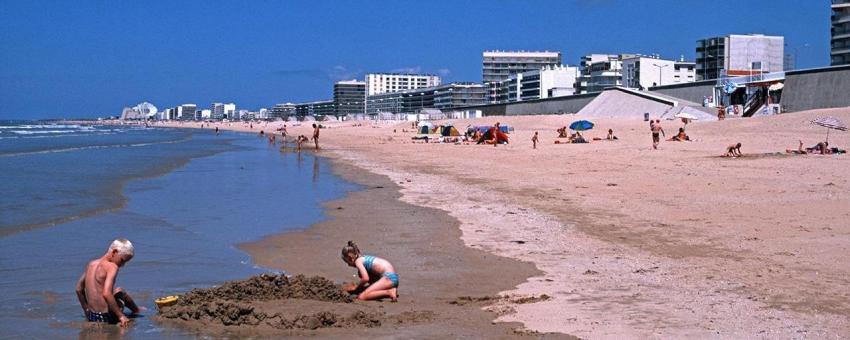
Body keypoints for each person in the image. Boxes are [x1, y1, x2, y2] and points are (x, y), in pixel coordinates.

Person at [75, 239, 141, 326]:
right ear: (114, 252)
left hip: (93, 316)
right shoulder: (112, 267)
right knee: (120, 290)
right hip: (107, 317)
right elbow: (106, 293)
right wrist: (121, 316)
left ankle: (135, 310)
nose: (123, 265)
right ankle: (137, 310)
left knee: (115, 292)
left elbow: (78, 289)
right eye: (122, 260)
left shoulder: (91, 264)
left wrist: (86, 310)